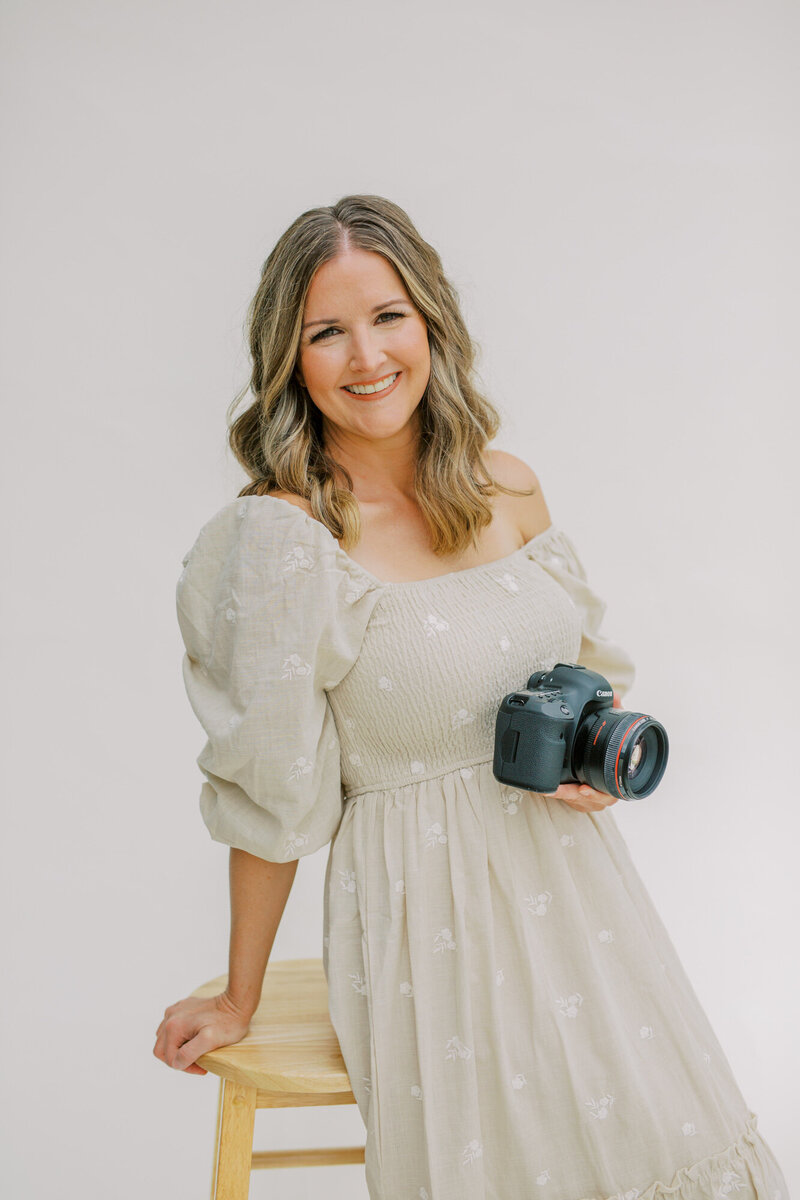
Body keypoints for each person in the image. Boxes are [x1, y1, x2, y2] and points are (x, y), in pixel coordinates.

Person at [154, 195, 789, 1199]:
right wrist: (238, 994)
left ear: (431, 323)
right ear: (289, 359)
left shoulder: (507, 486)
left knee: (669, 1154)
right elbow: (269, 799)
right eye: (326, 332)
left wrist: (591, 766)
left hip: (580, 895)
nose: (365, 357)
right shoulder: (283, 543)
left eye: (386, 317)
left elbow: (584, 665)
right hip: (421, 915)